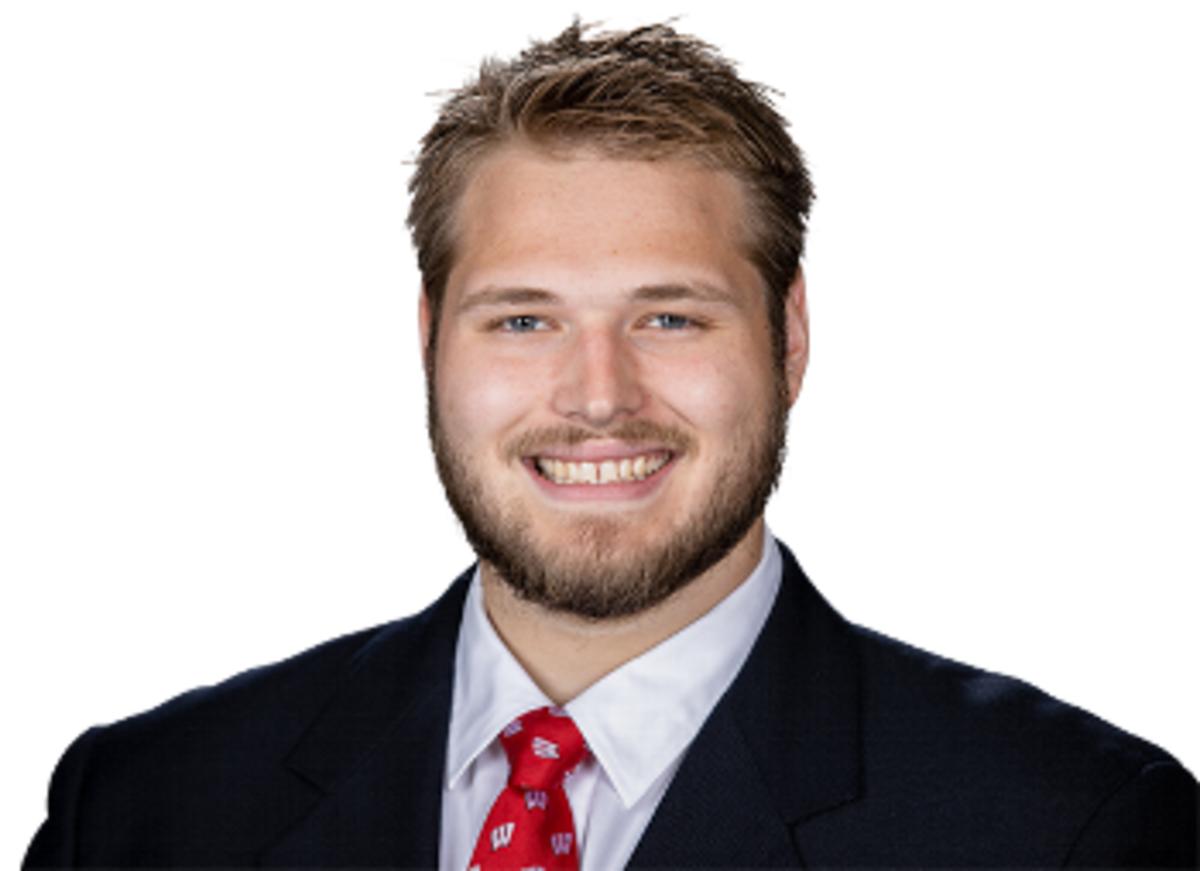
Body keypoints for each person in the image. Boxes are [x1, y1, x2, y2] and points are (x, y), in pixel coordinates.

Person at [25, 19, 1197, 869]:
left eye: (670, 317)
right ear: (429, 339)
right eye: (523, 320)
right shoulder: (140, 810)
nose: (598, 396)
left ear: (789, 339)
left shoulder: (1072, 830)